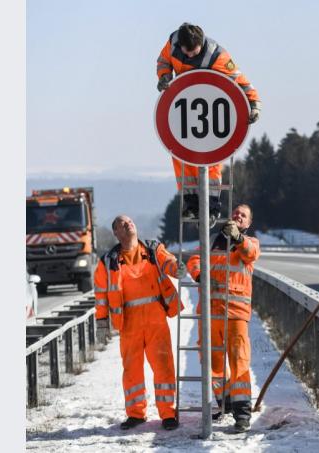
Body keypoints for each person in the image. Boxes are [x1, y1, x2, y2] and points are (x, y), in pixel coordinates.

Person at [156, 23, 262, 222]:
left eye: (192, 53)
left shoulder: (217, 56)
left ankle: (212, 206)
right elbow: (163, 61)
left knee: (211, 163)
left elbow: (241, 81)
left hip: (211, 114)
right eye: (185, 53)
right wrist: (164, 77)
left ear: (201, 44)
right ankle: (190, 203)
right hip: (183, 109)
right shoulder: (173, 42)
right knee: (179, 156)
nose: (188, 56)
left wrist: (254, 104)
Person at [94, 215, 185, 431]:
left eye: (130, 221)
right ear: (116, 233)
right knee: (132, 370)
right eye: (122, 224)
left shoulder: (153, 249)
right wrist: (101, 322)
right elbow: (100, 295)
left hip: (155, 318)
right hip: (129, 323)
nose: (128, 224)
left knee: (163, 366)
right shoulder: (108, 262)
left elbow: (168, 261)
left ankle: (168, 414)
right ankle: (136, 414)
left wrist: (176, 269)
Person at [187, 204, 260, 433]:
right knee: (212, 363)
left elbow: (250, 254)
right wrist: (199, 274)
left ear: (247, 224)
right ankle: (224, 402)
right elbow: (195, 259)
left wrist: (238, 238)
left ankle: (242, 414)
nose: (238, 215)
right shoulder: (212, 241)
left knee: (239, 362)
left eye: (243, 215)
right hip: (211, 312)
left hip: (236, 313)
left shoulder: (250, 242)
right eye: (236, 213)